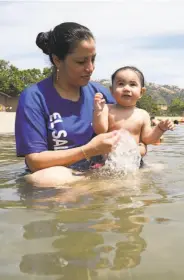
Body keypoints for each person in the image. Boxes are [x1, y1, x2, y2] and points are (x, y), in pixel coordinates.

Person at [15, 23, 147, 188]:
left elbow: (129, 133)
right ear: (57, 60)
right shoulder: (34, 97)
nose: (90, 68)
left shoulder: (100, 94)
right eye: (81, 61)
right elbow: (34, 162)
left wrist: (148, 135)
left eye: (93, 59)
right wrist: (88, 150)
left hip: (97, 171)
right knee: (48, 178)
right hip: (59, 176)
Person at [93, 66, 174, 154]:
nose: (126, 88)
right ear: (112, 90)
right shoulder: (106, 109)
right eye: (121, 84)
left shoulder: (143, 115)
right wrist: (98, 112)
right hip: (109, 161)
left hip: (134, 162)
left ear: (141, 92)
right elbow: (100, 131)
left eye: (132, 84)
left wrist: (160, 129)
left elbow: (147, 139)